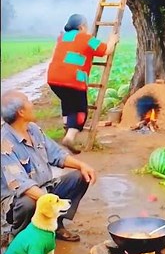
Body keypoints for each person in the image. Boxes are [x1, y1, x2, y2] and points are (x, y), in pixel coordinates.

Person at [1, 90, 96, 242]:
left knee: (80, 176)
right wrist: (52, 201)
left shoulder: (32, 129)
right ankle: (19, 237)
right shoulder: (4, 143)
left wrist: (81, 165)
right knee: (28, 202)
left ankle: (55, 224)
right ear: (21, 112)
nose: (32, 104)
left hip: (44, 187)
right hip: (19, 199)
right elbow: (22, 186)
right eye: (28, 101)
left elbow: (57, 155)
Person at [47, 14, 119, 154]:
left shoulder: (62, 38)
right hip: (73, 80)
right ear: (81, 27)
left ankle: (66, 128)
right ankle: (69, 137)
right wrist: (113, 39)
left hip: (53, 78)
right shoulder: (86, 39)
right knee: (80, 110)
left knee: (67, 103)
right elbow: (106, 50)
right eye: (85, 27)